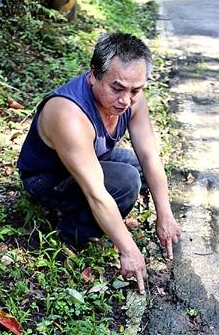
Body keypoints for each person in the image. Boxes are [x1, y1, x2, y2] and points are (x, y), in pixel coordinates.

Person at [17, 32, 181, 294]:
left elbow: (150, 156)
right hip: (46, 178)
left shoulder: (131, 97)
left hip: (89, 158)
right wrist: (129, 250)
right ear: (93, 74)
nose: (125, 100)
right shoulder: (69, 113)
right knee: (127, 182)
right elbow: (96, 193)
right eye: (116, 88)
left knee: (136, 166)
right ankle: (71, 234)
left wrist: (165, 214)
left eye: (135, 90)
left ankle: (94, 219)